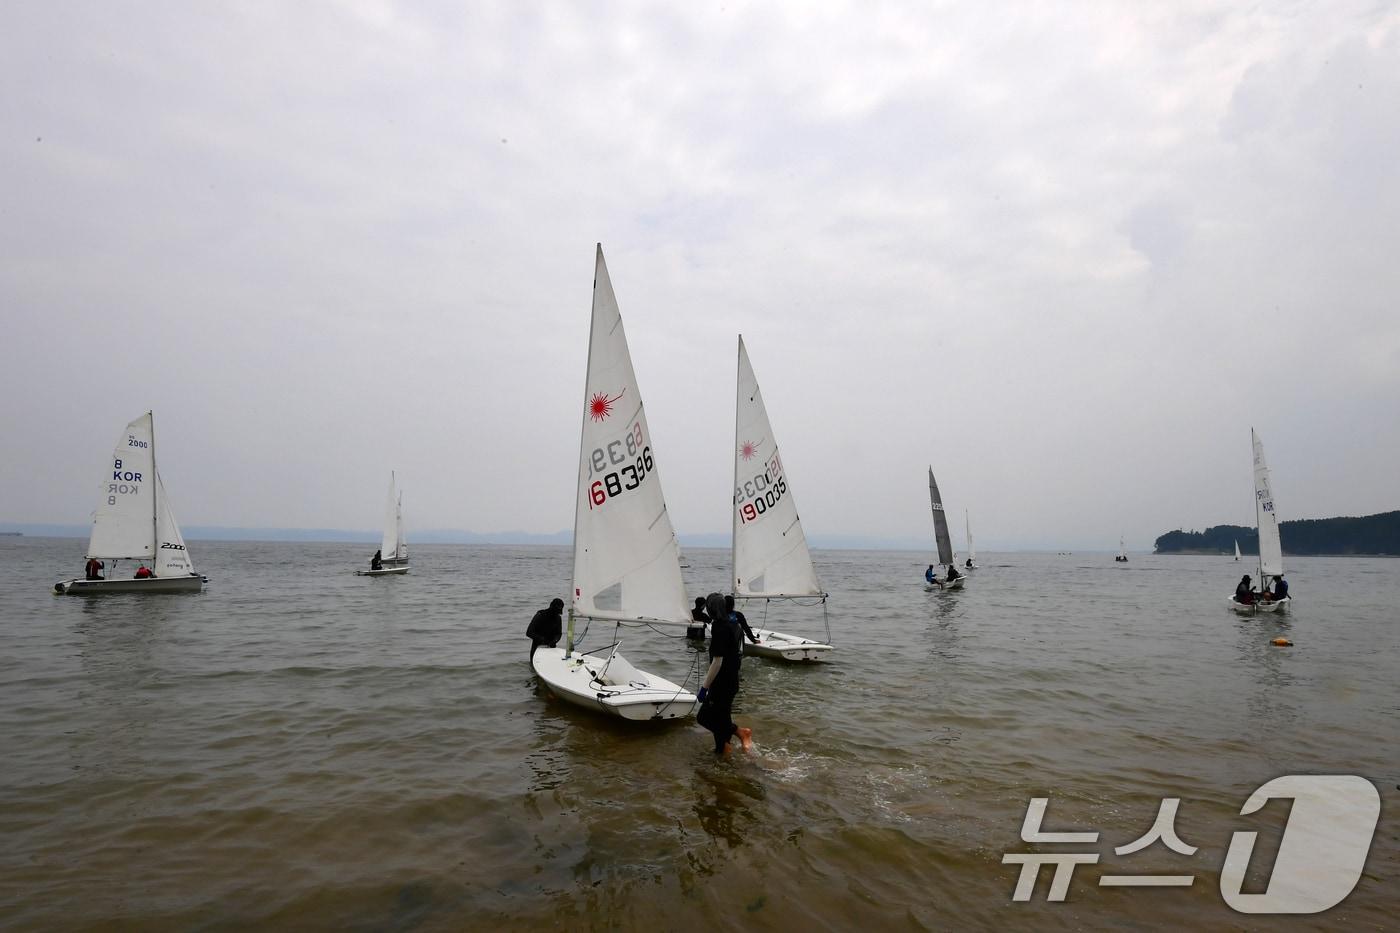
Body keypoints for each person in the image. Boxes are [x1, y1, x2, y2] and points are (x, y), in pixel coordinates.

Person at [697, 592, 752, 755]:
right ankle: (724, 749)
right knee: (722, 718)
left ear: (711, 609)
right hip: (731, 681)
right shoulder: (731, 624)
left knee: (704, 718)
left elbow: (717, 661)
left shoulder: (719, 628)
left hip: (721, 684)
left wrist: (704, 688)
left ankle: (741, 732)